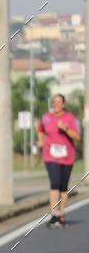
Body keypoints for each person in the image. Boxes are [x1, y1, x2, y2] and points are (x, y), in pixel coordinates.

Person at [37, 93, 81, 227]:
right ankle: (54, 215)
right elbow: (40, 129)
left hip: (67, 157)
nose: (56, 104)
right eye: (54, 102)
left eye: (59, 102)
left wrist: (66, 128)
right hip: (50, 156)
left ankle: (61, 214)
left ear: (63, 104)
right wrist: (40, 140)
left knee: (63, 186)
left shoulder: (71, 118)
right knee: (55, 183)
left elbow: (78, 136)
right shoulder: (46, 117)